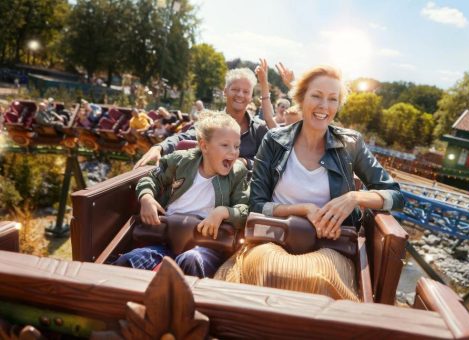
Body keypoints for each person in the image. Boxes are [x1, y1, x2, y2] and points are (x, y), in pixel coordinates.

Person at [214, 64, 404, 300]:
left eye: (332, 99)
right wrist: (303, 210)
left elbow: (396, 196)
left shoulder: (351, 143)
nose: (324, 106)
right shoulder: (274, 140)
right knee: (271, 270)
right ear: (301, 99)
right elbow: (256, 204)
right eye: (316, 96)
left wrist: (354, 197)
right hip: (274, 238)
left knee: (318, 279)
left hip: (330, 246)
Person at [114, 112, 249, 278]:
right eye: (225, 145)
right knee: (131, 260)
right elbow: (152, 179)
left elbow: (244, 208)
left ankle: (188, 301)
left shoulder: (237, 173)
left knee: (191, 260)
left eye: (237, 146)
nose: (233, 152)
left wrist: (223, 212)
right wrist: (147, 197)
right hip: (166, 237)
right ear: (204, 146)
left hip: (207, 243)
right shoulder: (180, 161)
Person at [134, 68, 268, 170]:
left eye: (246, 92)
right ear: (225, 91)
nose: (240, 95)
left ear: (251, 97)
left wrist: (245, 162)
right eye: (235, 89)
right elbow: (184, 137)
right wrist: (159, 148)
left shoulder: (259, 129)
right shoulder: (210, 122)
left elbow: (266, 161)